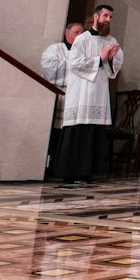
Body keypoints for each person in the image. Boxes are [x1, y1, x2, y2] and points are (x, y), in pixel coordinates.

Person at [54, 5, 123, 184]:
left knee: (93, 132)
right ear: (96, 16)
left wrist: (111, 59)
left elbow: (114, 68)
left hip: (99, 91)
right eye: (105, 16)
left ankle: (87, 172)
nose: (108, 20)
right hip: (81, 92)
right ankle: (71, 173)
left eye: (110, 17)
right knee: (78, 131)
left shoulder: (111, 40)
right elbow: (75, 64)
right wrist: (100, 59)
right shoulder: (81, 39)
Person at [41, 22, 85, 175]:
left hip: (78, 96)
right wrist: (74, 65)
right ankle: (50, 164)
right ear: (67, 35)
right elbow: (49, 68)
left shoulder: (85, 53)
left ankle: (66, 165)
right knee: (56, 133)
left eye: (82, 32)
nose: (80, 35)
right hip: (60, 95)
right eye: (76, 32)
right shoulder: (55, 49)